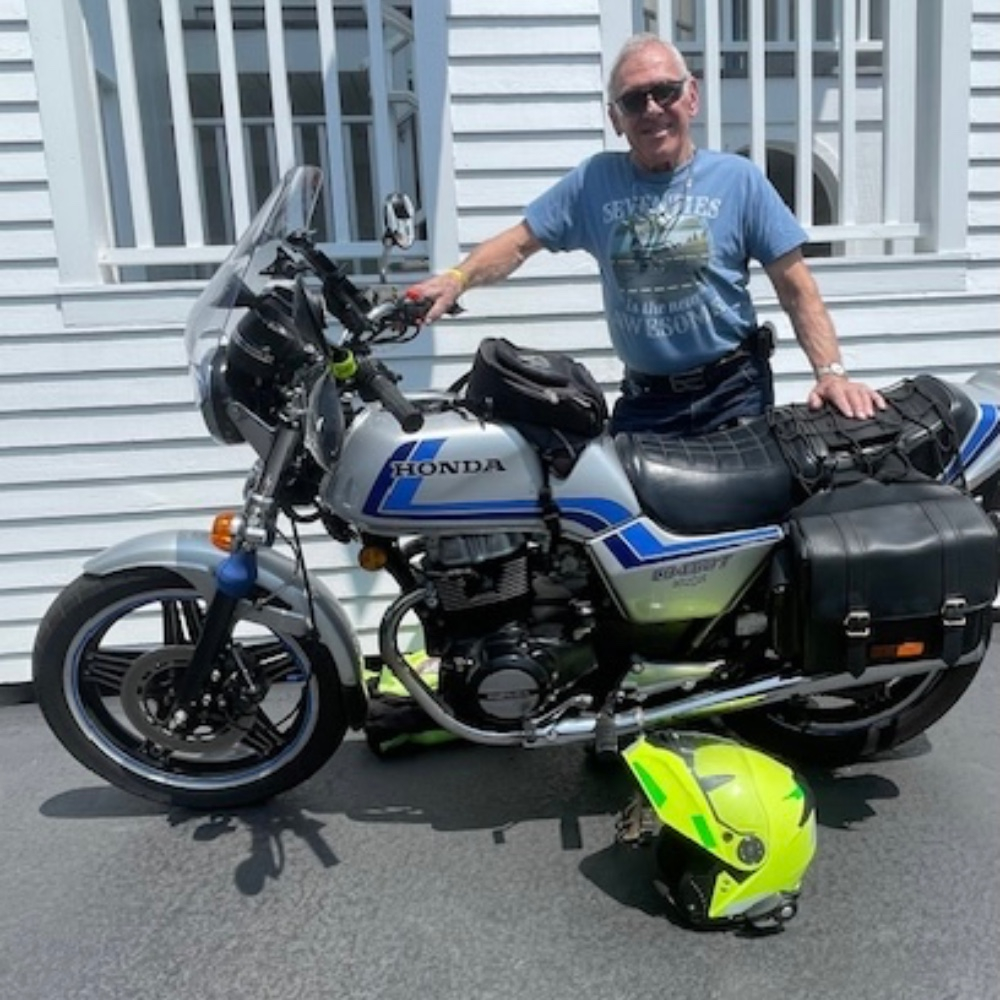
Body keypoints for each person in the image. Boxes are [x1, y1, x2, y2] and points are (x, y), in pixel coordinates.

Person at [410, 34, 885, 436]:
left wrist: (831, 373)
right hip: (646, 402)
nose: (652, 108)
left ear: (691, 97)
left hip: (733, 393)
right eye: (634, 100)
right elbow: (518, 243)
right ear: (616, 118)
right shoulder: (594, 182)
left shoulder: (739, 180)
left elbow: (796, 286)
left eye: (664, 91)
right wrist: (457, 278)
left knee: (745, 519)